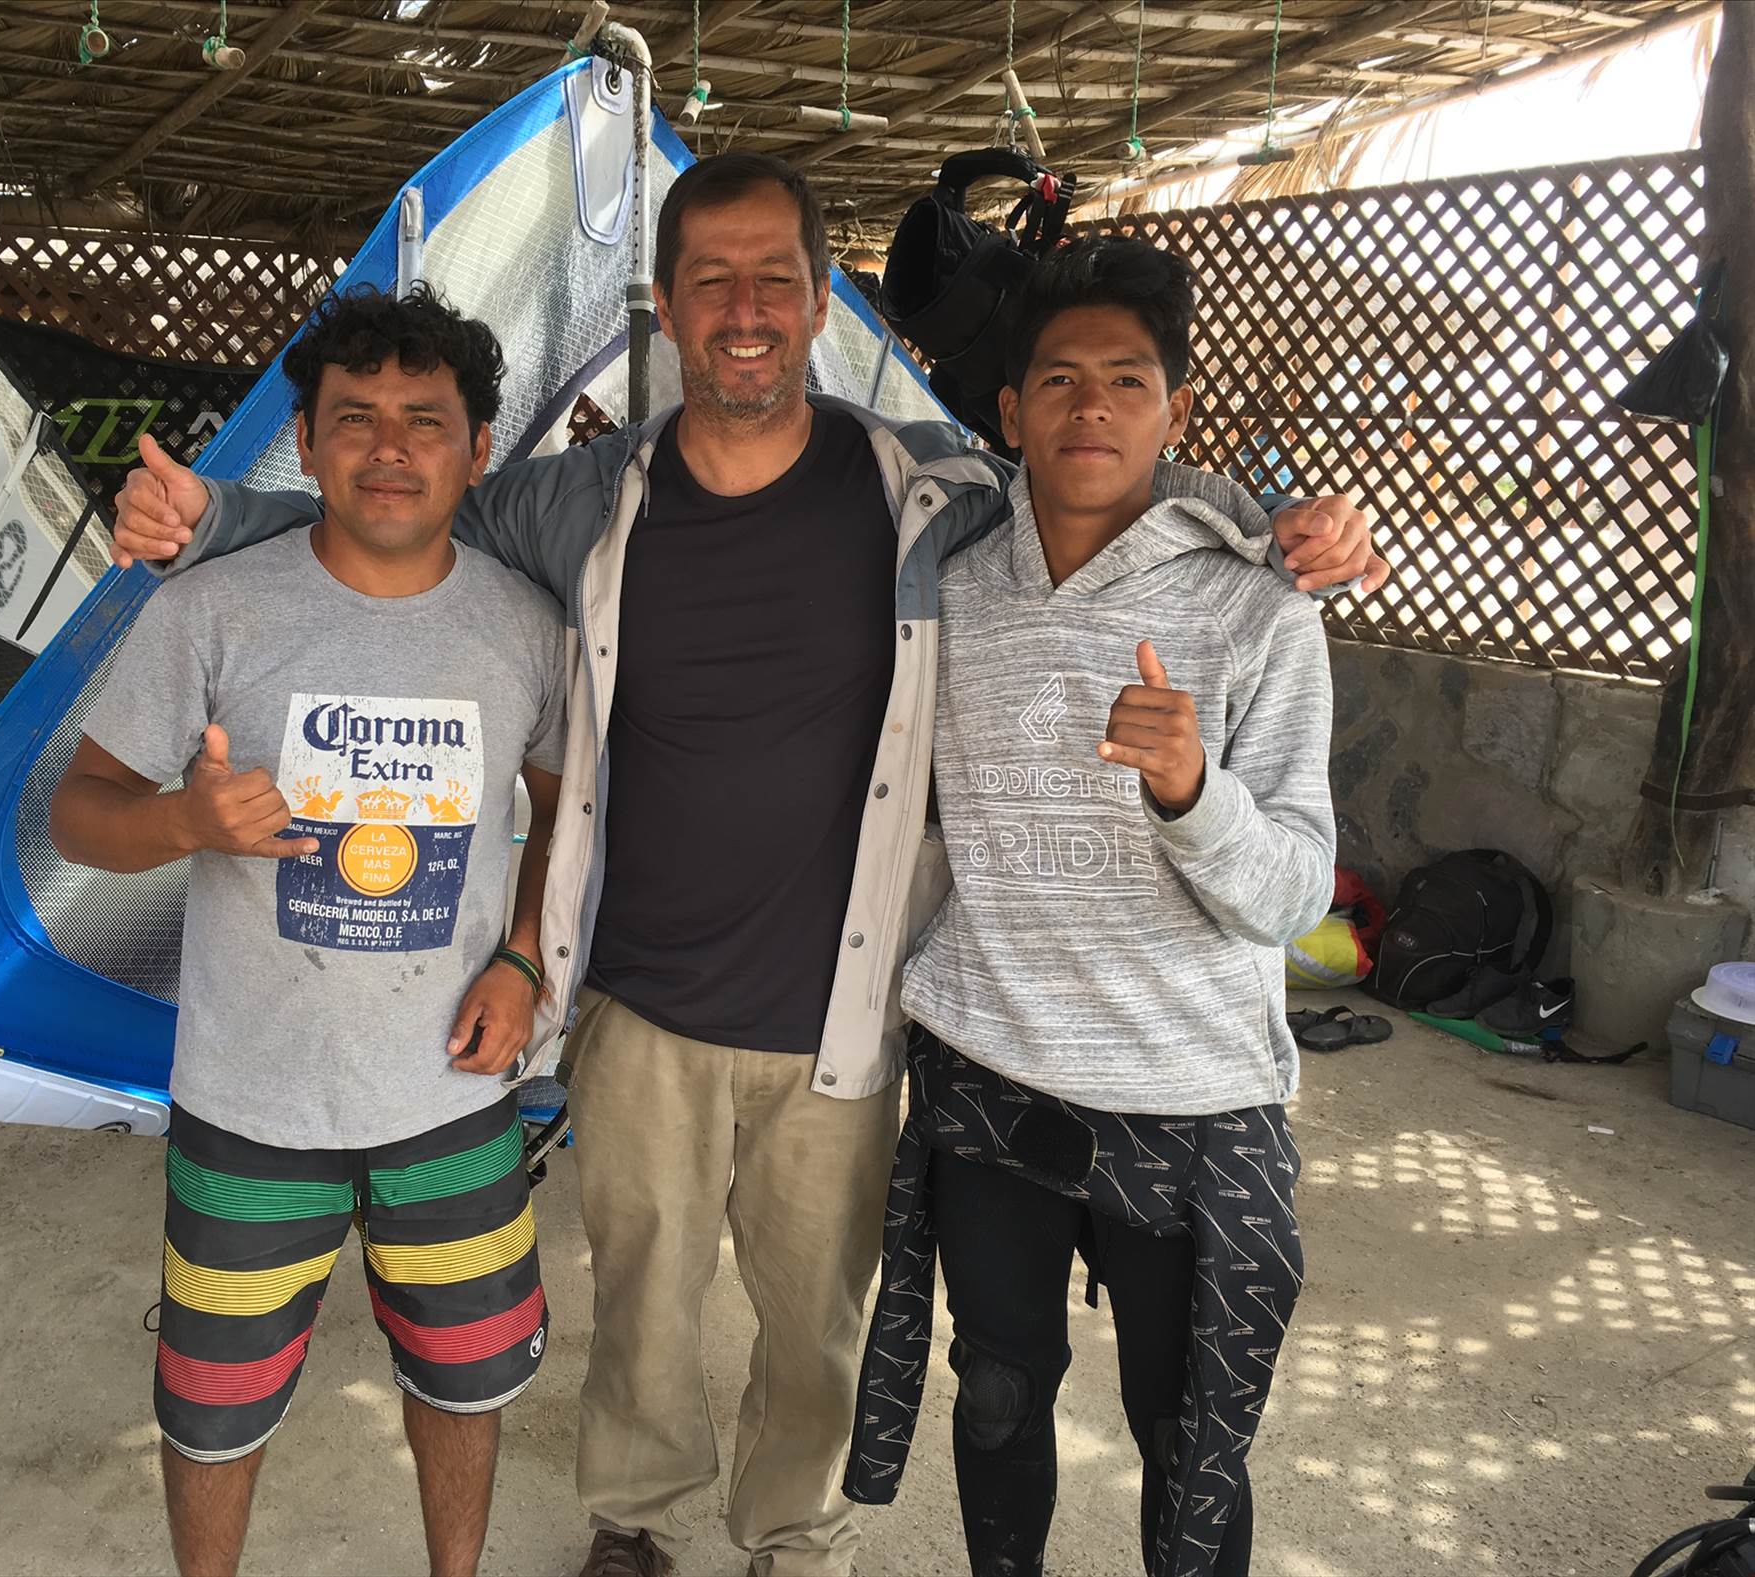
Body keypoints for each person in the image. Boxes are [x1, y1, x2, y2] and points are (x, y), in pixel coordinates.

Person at [105, 154, 1387, 1577]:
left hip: (841, 1011)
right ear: (665, 305)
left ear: (822, 299)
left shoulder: (921, 488)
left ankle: (792, 1536)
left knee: (815, 1318)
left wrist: (1271, 519)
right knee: (643, 1305)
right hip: (640, 1000)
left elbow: (1093, 464)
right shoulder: (585, 500)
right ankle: (639, 1521)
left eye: (776, 277)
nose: (745, 309)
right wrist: (217, 521)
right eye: (710, 279)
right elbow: (400, 506)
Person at [48, 285, 567, 1577]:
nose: (389, 448)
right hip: (251, 1103)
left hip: (450, 1096)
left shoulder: (524, 624)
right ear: (305, 441)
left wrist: (524, 955)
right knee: (212, 1408)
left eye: (424, 420)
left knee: (464, 1379)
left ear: (479, 449)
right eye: (354, 418)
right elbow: (78, 814)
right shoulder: (211, 610)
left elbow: (567, 809)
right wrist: (183, 819)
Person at [843, 238, 1337, 1577]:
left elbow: (1294, 893)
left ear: (1176, 411)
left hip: (1189, 1096)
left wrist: (1194, 792)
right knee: (997, 1396)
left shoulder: (1260, 614)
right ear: (1010, 410)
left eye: (1129, 380)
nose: (1092, 408)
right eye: (1059, 379)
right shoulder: (944, 592)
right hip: (989, 1071)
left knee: (1188, 1437)